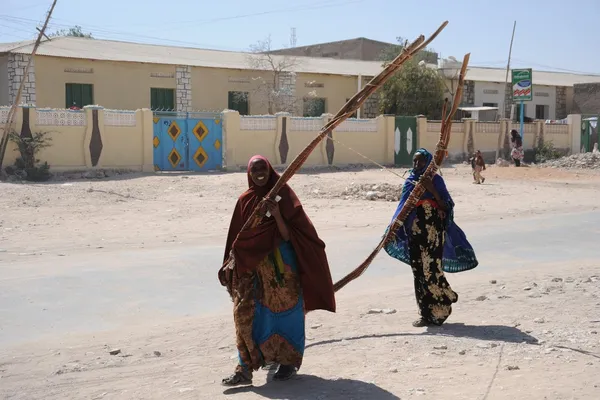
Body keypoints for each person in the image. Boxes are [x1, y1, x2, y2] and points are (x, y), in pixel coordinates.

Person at [219, 155, 336, 386]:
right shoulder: (245, 200)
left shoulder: (282, 194)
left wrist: (277, 214)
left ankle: (287, 362)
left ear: (269, 170)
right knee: (247, 315)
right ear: (249, 174)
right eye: (255, 170)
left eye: (263, 168)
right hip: (254, 271)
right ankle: (244, 368)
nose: (260, 173)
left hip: (284, 270)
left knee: (286, 313)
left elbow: (288, 234)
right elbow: (238, 239)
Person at [384, 149, 478, 327]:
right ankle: (426, 313)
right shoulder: (411, 181)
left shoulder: (436, 181)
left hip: (433, 236)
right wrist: (392, 229)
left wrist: (431, 190)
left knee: (432, 271)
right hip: (415, 236)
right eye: (414, 162)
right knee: (418, 273)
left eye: (420, 162)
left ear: (427, 162)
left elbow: (447, 206)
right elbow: (402, 208)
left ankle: (442, 307)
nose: (417, 165)